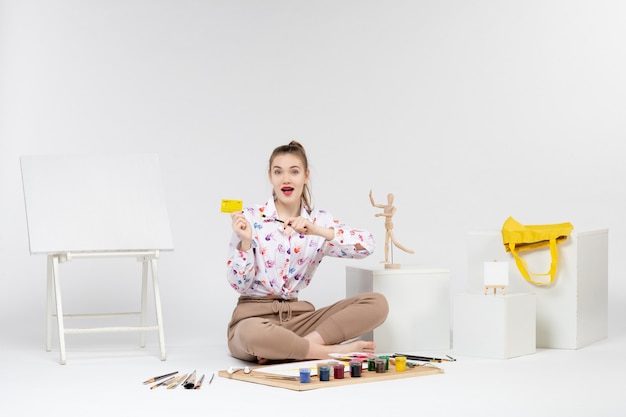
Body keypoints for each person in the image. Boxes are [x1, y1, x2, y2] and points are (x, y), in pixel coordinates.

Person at [226, 141, 389, 364]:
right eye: (278, 172)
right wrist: (245, 243)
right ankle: (329, 352)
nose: (286, 179)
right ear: (270, 176)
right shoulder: (250, 218)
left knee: (377, 304)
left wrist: (316, 230)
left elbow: (367, 245)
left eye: (294, 171)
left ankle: (295, 348)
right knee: (252, 334)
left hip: (300, 320)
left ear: (306, 175)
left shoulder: (319, 220)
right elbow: (239, 285)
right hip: (253, 318)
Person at [369, 190, 414, 265]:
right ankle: (386, 259)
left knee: (395, 242)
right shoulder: (385, 206)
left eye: (391, 198)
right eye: (388, 198)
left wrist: (381, 214)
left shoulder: (394, 208)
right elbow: (374, 204)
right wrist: (370, 196)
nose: (389, 199)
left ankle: (408, 250)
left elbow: (390, 214)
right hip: (386, 225)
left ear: (393, 199)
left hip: (390, 225)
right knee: (386, 243)